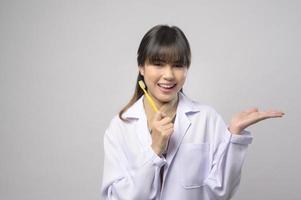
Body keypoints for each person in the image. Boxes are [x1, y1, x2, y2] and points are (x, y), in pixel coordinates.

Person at [101, 24, 284, 200]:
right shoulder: (121, 126)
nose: (169, 75)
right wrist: (155, 150)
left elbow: (221, 192)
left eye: (178, 65)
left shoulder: (206, 119)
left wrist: (234, 136)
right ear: (141, 67)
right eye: (158, 64)